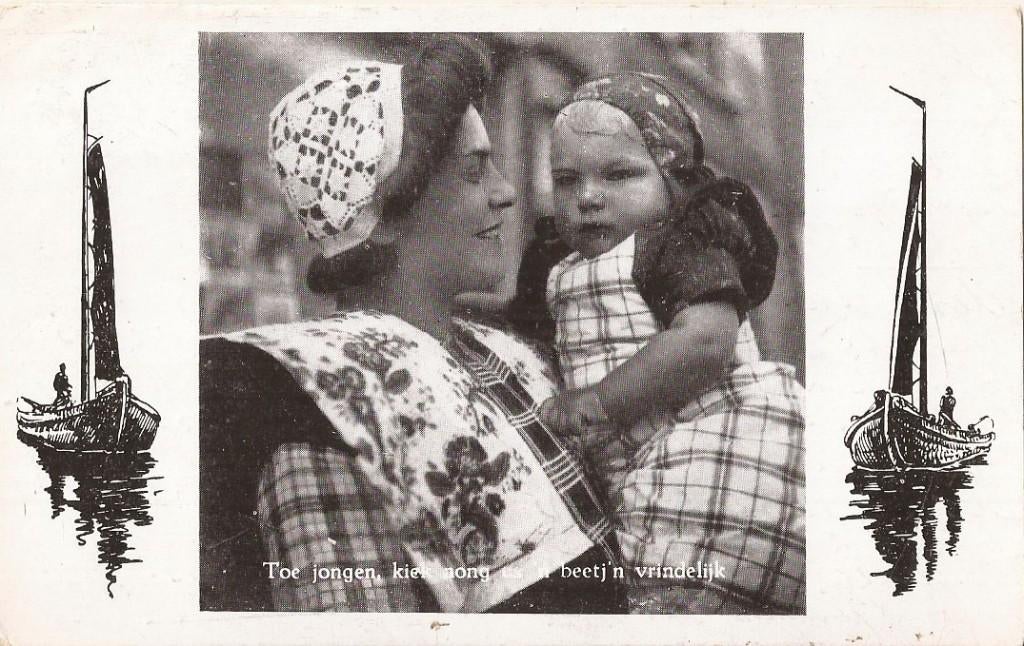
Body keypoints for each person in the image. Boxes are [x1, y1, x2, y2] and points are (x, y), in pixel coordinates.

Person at [199, 37, 622, 613]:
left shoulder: (506, 355)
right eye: (475, 171)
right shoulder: (321, 414)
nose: (507, 194)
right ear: (385, 214)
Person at [533, 72, 805, 613]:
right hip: (651, 475)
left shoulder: (677, 240)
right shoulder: (559, 268)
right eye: (567, 180)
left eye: (619, 175)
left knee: (699, 584)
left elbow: (707, 340)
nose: (587, 198)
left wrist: (597, 406)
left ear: (673, 180)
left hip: (724, 445)